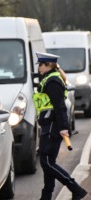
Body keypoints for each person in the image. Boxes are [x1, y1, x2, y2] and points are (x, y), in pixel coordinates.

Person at [33, 52, 87, 200]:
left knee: (47, 162)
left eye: (41, 64)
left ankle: (75, 189)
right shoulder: (49, 79)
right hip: (48, 125)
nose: (39, 67)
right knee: (48, 163)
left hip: (52, 126)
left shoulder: (52, 81)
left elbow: (60, 106)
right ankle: (47, 196)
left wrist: (64, 127)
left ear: (48, 65)